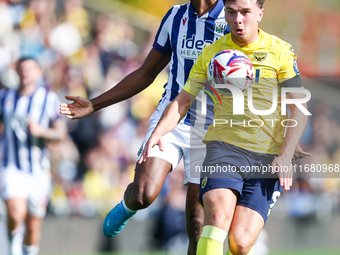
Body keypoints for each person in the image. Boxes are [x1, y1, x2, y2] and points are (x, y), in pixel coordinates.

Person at [139, 0, 309, 254]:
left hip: (266, 158)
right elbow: (183, 100)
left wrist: (285, 154)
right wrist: (158, 132)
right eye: (231, 12)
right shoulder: (212, 53)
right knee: (216, 219)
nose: (238, 19)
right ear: (225, 14)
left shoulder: (280, 51)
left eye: (245, 12)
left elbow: (299, 107)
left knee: (239, 244)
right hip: (222, 151)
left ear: (260, 13)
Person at [60, 1, 229, 254]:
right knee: (144, 194)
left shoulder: (233, 17)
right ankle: (128, 205)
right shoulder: (175, 16)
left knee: (197, 221)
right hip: (172, 115)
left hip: (213, 127)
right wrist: (94, 104)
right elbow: (146, 73)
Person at [0, 57, 67, 255]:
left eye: (30, 68)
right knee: (16, 212)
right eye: (22, 68)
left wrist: (42, 132)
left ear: (38, 72)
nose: (25, 72)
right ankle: (13, 249)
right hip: (11, 165)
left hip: (38, 170)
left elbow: (60, 133)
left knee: (33, 223)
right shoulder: (5, 97)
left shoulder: (49, 99)